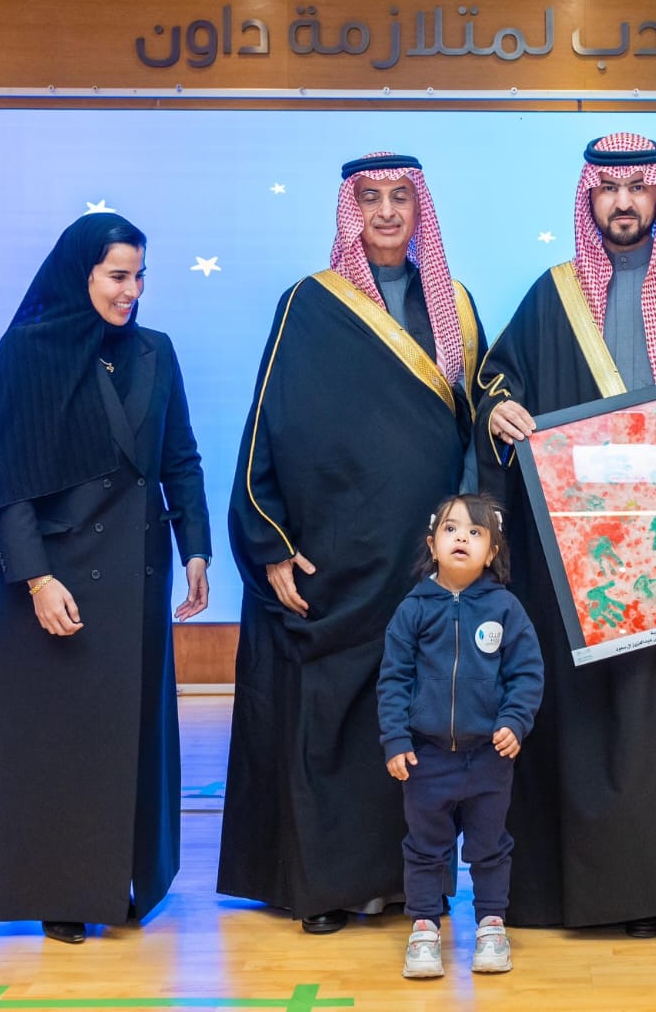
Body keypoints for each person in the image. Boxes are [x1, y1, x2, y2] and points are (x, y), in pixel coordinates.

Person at [476, 132, 656, 937]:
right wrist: (498, 410)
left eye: (637, 187)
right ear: (589, 199)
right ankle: (594, 888)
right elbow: (499, 378)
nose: (623, 202)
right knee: (596, 718)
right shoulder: (555, 293)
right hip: (586, 545)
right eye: (608, 189)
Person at [219, 152, 488, 935]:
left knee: (418, 721)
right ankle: (329, 887)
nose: (386, 212)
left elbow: (474, 427)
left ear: (419, 208)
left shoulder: (455, 304)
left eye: (401, 197)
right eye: (370, 199)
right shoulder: (310, 302)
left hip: (422, 558)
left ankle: (408, 882)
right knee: (334, 724)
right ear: (351, 211)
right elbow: (265, 425)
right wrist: (270, 542)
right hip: (334, 555)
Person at [0, 212, 211, 944]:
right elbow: (6, 484)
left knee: (128, 739)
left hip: (137, 576)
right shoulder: (27, 352)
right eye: (117, 276)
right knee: (60, 743)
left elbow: (181, 458)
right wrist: (36, 580)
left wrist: (195, 550)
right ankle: (62, 892)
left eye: (139, 277)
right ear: (82, 274)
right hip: (55, 582)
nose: (131, 291)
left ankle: (124, 881)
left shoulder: (157, 351)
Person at [376, 493, 543, 979]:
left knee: (490, 846)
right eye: (451, 529)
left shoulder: (505, 608)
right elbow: (393, 679)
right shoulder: (412, 609)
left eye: (475, 531)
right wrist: (396, 740)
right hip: (426, 760)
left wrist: (514, 722)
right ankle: (424, 929)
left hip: (488, 759)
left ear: (492, 551)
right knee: (425, 847)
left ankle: (491, 925)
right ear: (432, 545)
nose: (462, 538)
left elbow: (526, 673)